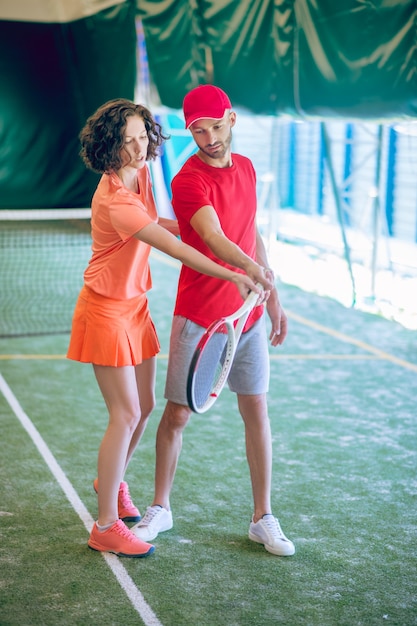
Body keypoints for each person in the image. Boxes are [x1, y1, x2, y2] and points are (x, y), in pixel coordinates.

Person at [67, 98, 268, 559]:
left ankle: (110, 482)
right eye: (126, 141)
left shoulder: (141, 177)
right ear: (107, 146)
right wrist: (233, 271)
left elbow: (160, 221)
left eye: (142, 137)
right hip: (106, 310)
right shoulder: (115, 200)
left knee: (147, 406)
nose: (137, 148)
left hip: (134, 305)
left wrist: (193, 230)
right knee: (125, 413)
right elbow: (174, 249)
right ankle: (105, 525)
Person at [132, 85, 295, 557]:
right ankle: (160, 507)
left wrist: (272, 295)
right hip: (201, 317)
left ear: (232, 119)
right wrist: (249, 270)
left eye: (215, 127)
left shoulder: (246, 169)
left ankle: (262, 517)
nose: (209, 139)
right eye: (198, 131)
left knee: (256, 411)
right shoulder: (188, 181)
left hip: (247, 320)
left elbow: (251, 232)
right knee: (178, 414)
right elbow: (212, 235)